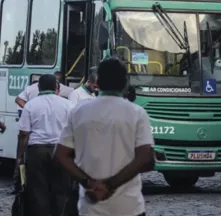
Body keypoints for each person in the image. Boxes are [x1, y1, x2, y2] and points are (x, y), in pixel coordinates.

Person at [54, 57, 155, 216]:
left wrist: (88, 182)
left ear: (98, 83)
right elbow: (146, 158)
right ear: (125, 83)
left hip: (90, 206)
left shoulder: (79, 112)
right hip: (129, 206)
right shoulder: (137, 114)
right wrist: (109, 185)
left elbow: (60, 155)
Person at [16, 75, 74, 216]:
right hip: (62, 151)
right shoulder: (68, 105)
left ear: (39, 88)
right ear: (56, 88)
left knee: (38, 191)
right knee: (61, 189)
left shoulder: (31, 105)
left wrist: (19, 157)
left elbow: (24, 134)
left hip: (37, 152)